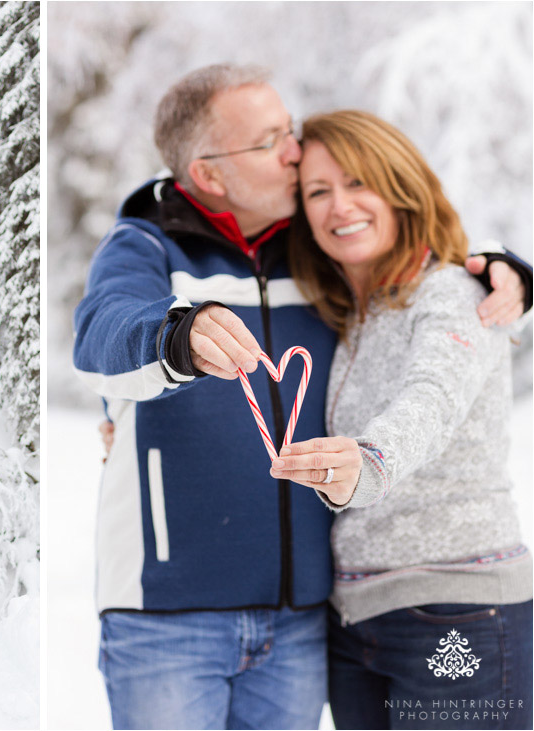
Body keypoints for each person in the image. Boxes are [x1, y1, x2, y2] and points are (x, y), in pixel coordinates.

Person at [72, 63, 532, 730]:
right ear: (209, 174)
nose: (293, 150)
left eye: (288, 131)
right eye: (270, 143)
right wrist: (178, 334)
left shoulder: (316, 254)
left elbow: (429, 318)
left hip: (305, 619)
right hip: (168, 615)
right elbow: (103, 333)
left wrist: (506, 270)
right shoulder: (147, 248)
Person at [266, 109, 532, 730]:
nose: (339, 207)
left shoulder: (453, 293)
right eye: (318, 192)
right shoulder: (347, 316)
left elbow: (432, 396)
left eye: (359, 182)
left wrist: (370, 460)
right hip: (356, 619)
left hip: (456, 604)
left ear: (401, 186)